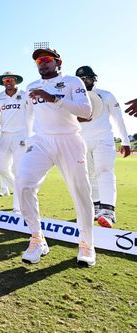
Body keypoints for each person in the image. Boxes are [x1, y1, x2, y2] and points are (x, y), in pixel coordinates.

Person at [17, 48, 96, 267]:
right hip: (42, 141)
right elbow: (29, 116)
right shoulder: (31, 87)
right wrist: (28, 138)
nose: (41, 64)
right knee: (23, 183)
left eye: (46, 59)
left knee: (80, 193)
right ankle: (37, 239)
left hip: (69, 140)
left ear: (58, 62)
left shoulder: (72, 82)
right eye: (38, 61)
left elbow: (86, 112)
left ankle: (87, 245)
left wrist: (53, 98)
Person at [75, 66, 131, 227]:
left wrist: (125, 142)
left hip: (103, 140)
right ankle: (96, 207)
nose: (85, 81)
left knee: (104, 171)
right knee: (89, 175)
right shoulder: (74, 97)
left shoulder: (106, 95)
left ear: (94, 78)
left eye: (87, 78)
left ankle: (108, 212)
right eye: (81, 79)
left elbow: (118, 118)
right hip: (82, 141)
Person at [0, 71, 31, 214]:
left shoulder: (25, 94)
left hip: (21, 135)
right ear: (3, 82)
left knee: (18, 170)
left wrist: (32, 135)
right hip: (5, 135)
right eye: (5, 80)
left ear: (16, 81)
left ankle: (18, 207)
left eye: (11, 80)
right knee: (2, 168)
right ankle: (23, 193)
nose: (8, 82)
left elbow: (34, 113)